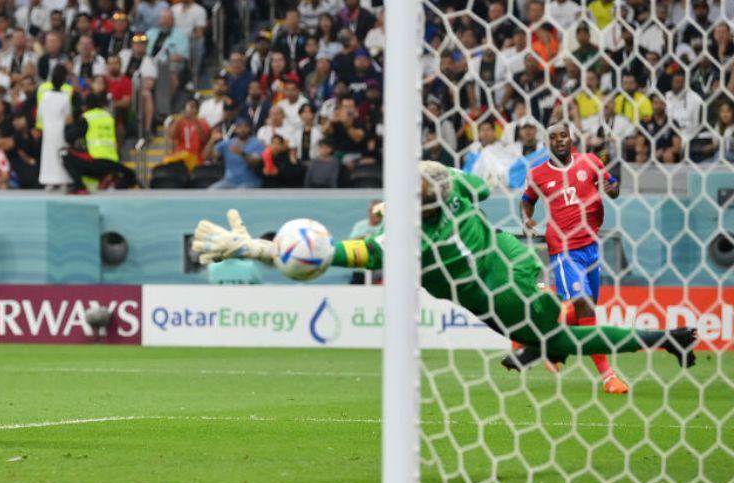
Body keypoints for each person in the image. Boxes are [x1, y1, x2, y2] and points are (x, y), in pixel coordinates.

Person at [191, 161, 697, 368]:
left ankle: (656, 337)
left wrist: (262, 247)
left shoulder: (407, 242)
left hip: (505, 301)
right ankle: (545, 327)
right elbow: (466, 181)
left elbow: (338, 253)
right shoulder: (456, 190)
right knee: (546, 325)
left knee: (564, 341)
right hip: (514, 258)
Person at [522, 122, 627, 394]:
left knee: (586, 308)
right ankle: (608, 377)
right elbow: (527, 199)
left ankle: (545, 346)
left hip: (591, 246)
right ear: (547, 143)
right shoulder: (538, 174)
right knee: (585, 308)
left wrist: (611, 186)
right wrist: (527, 218)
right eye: (553, 137)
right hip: (563, 249)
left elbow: (614, 188)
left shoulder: (590, 162)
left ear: (571, 139)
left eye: (563, 136)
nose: (559, 141)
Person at [62, 92, 138, 191]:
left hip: (96, 161)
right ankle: (110, 179)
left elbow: (69, 137)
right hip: (113, 161)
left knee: (63, 153)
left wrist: (68, 124)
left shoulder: (87, 117)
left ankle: (79, 187)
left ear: (85, 106)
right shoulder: (108, 117)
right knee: (130, 175)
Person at [36, 65, 73, 189]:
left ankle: (49, 181)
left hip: (48, 130)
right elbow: (68, 117)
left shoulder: (45, 96)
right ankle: (63, 181)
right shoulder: (65, 97)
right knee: (60, 155)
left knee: (48, 156)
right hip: (60, 131)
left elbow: (40, 114)